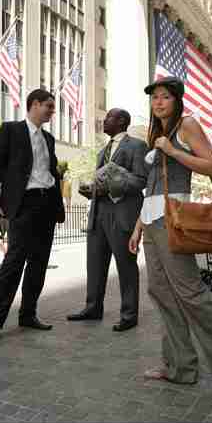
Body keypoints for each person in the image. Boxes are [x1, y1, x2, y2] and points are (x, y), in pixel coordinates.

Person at [128, 76, 212, 396]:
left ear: (177, 100)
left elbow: (211, 167)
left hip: (172, 219)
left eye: (165, 97)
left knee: (191, 294)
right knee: (161, 293)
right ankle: (179, 367)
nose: (158, 102)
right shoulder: (156, 132)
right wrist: (137, 227)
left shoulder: (185, 125)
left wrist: (173, 150)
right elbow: (151, 187)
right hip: (151, 220)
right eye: (154, 97)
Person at [0, 89, 65, 344]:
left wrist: (58, 203)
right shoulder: (10, 131)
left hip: (47, 204)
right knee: (14, 262)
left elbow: (52, 171)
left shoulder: (49, 138)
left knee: (39, 262)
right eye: (48, 106)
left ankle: (28, 314)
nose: (52, 111)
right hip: (24, 204)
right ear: (34, 104)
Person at [66, 108, 147, 331]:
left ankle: (129, 314)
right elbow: (102, 179)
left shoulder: (137, 146)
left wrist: (114, 182)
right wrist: (91, 189)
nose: (104, 121)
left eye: (109, 117)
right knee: (94, 264)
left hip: (122, 214)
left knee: (126, 266)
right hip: (98, 213)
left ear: (122, 121)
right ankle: (93, 308)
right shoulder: (103, 150)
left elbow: (141, 180)